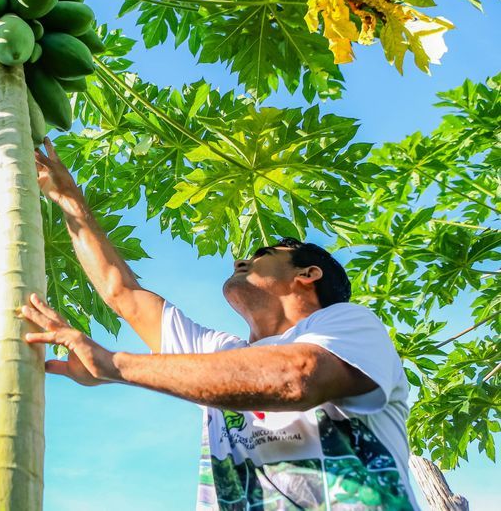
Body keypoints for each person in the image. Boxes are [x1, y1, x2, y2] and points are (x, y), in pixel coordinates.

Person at [21, 139, 417, 510]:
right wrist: (67, 198)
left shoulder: (348, 322)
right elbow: (122, 292)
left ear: (308, 274)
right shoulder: (221, 353)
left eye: (263, 253)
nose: (240, 261)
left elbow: (298, 377)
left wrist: (115, 365)